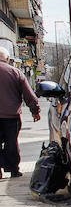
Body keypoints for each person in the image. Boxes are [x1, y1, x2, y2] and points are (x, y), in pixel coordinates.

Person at [0, 47, 40, 179]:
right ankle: (13, 170)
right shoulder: (15, 72)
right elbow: (29, 95)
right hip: (11, 116)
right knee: (12, 143)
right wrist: (35, 111)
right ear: (7, 58)